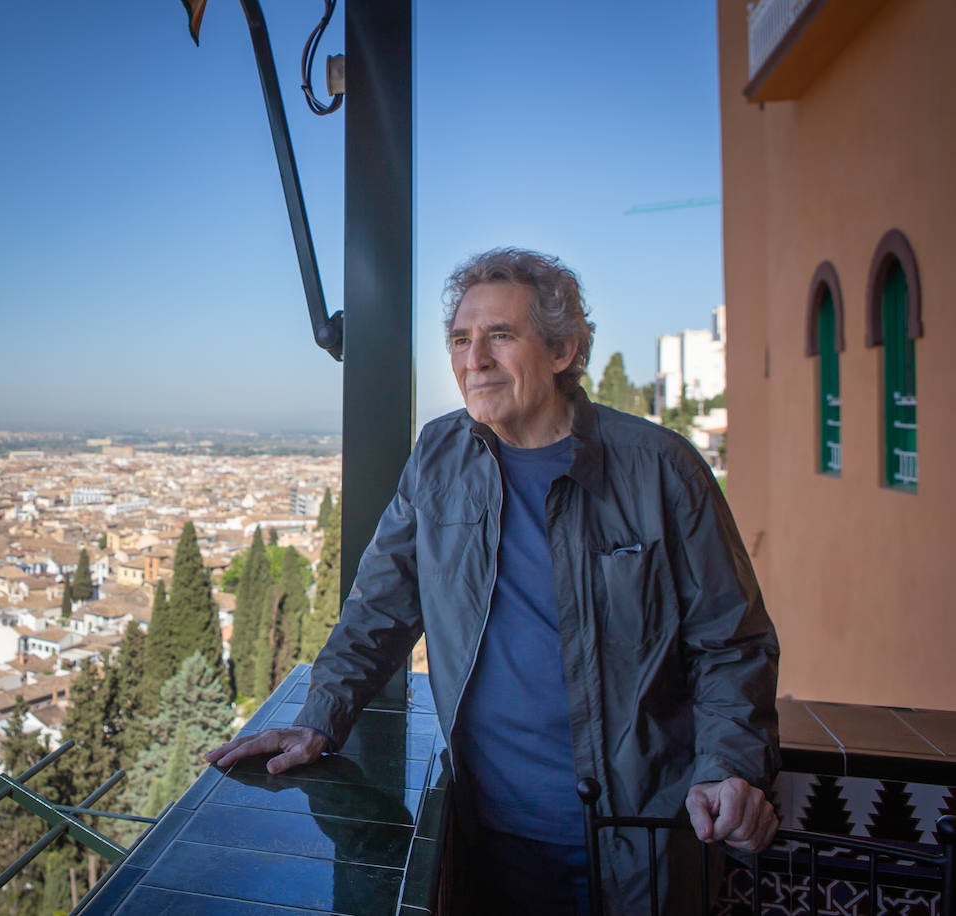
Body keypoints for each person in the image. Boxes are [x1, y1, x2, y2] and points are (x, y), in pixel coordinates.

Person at [207, 247, 780, 913]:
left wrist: (730, 768)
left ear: (564, 348)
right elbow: (380, 610)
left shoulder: (661, 470)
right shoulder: (438, 457)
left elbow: (731, 644)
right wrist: (319, 718)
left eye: (500, 336)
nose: (472, 359)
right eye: (460, 339)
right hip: (483, 840)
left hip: (641, 842)